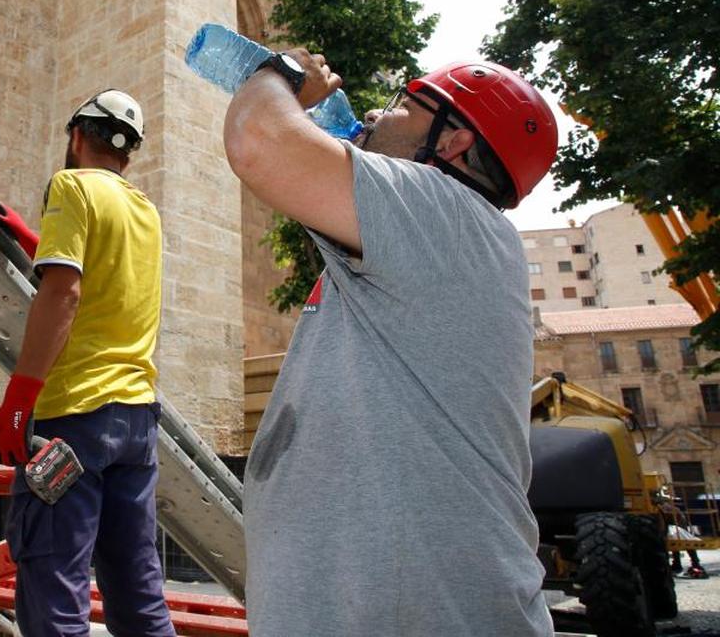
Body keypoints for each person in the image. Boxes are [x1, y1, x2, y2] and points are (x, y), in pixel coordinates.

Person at [224, 50, 558, 636]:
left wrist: (279, 73)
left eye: (404, 105)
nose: (377, 114)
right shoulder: (436, 233)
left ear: (452, 143)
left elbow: (259, 141)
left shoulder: (442, 211)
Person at [0, 89, 174, 637]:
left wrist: (18, 403)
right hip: (135, 422)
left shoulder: (70, 186)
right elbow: (107, 272)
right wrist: (34, 242)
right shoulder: (146, 213)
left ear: (76, 136)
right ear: (129, 154)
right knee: (138, 589)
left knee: (54, 590)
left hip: (73, 423)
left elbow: (64, 293)